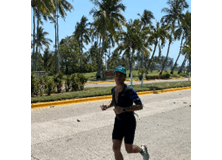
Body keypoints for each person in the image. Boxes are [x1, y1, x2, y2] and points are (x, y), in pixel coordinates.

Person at [100, 66, 150, 160]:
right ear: (114, 76)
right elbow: (114, 101)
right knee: (115, 148)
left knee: (129, 149)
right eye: (116, 75)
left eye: (120, 75)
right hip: (118, 122)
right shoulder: (113, 90)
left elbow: (140, 106)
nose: (118, 77)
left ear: (124, 77)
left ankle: (142, 150)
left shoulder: (129, 90)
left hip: (129, 122)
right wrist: (107, 106)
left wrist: (123, 110)